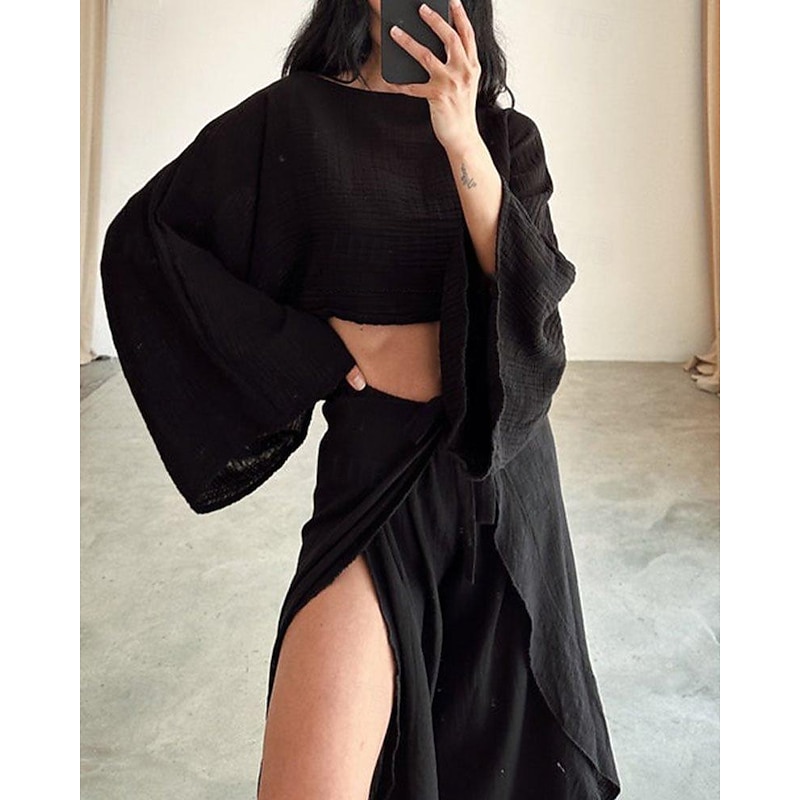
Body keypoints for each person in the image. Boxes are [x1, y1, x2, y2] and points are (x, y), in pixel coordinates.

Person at [100, 1, 621, 798]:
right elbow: (148, 240)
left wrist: (460, 134)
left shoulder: (505, 139)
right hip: (375, 485)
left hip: (509, 496)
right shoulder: (297, 119)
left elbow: (532, 316)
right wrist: (308, 351)